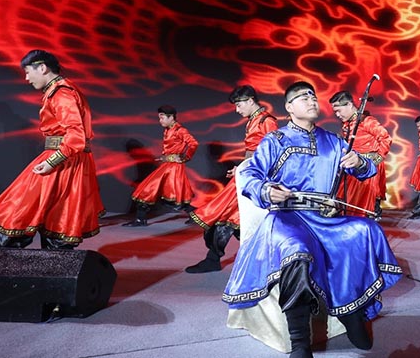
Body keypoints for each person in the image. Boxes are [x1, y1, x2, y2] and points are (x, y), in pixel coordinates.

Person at [222, 81, 402, 358]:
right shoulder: (276, 140)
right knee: (297, 252)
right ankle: (300, 342)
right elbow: (249, 173)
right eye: (303, 97)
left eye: (313, 96)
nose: (311, 100)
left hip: (325, 219)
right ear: (289, 107)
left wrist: (360, 163)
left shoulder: (333, 141)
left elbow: (367, 171)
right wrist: (267, 190)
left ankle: (351, 312)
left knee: (365, 230)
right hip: (287, 219)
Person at [0, 50, 104, 292]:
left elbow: (76, 136)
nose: (26, 78)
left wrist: (52, 161)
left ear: (42, 67)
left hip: (62, 162)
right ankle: (44, 279)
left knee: (19, 211)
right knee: (55, 219)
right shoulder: (62, 90)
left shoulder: (61, 93)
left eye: (27, 72)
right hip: (69, 162)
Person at [184, 86, 278, 273]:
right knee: (233, 218)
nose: (237, 110)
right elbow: (252, 152)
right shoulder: (253, 120)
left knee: (227, 216)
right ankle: (254, 258)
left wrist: (253, 173)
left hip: (255, 179)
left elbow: (273, 153)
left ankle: (215, 259)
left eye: (239, 105)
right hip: (247, 174)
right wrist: (240, 168)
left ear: (250, 100)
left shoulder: (267, 121)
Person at [122, 105, 198, 227]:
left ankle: (141, 219)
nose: (160, 121)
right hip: (167, 166)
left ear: (171, 117)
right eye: (159, 118)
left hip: (173, 168)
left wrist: (185, 157)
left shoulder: (180, 130)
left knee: (152, 191)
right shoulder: (168, 130)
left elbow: (193, 143)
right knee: (163, 195)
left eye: (162, 118)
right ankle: (196, 214)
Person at [329, 91, 392, 218]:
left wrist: (376, 159)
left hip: (366, 166)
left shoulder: (367, 121)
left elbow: (386, 138)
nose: (337, 115)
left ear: (349, 105)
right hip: (352, 165)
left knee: (363, 202)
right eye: (335, 112)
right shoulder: (348, 123)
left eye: (339, 111)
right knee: (346, 198)